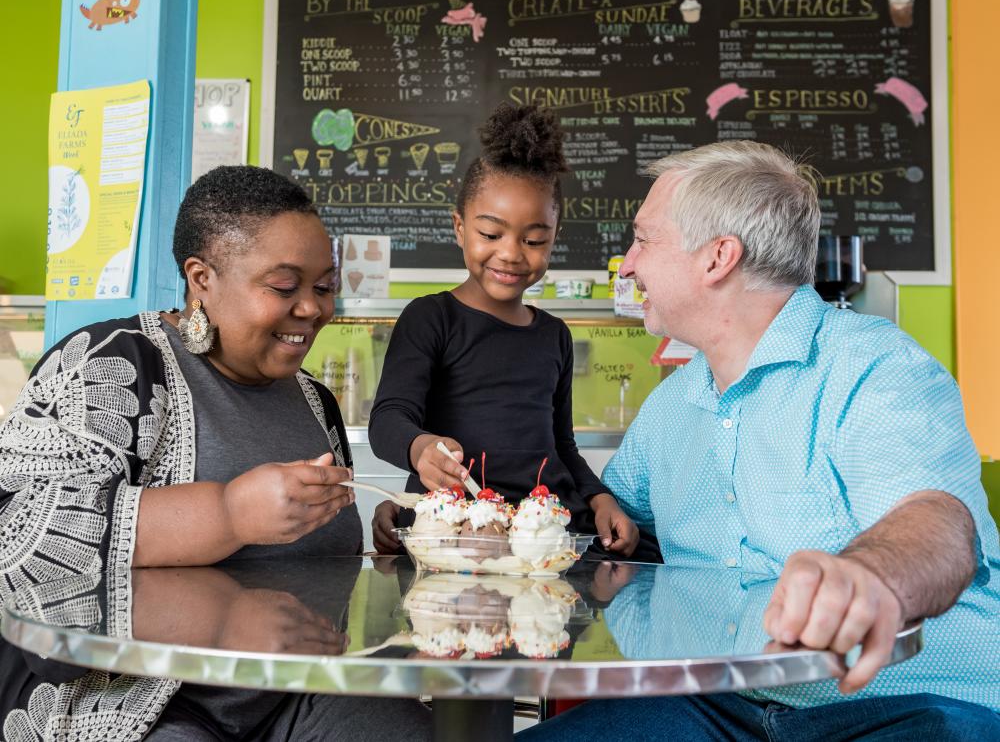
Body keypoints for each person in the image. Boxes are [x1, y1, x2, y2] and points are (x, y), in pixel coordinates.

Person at [518, 141, 1000, 740]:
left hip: (904, 704)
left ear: (718, 257)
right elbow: (603, 531)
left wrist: (871, 575)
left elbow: (936, 522)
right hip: (718, 704)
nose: (630, 263)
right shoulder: (671, 405)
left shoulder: (876, 367)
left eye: (644, 239)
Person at [0, 166, 432, 741]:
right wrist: (230, 514)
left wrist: (388, 537)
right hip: (141, 701)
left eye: (324, 287)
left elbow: (321, 572)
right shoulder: (112, 364)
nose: (312, 309)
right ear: (201, 278)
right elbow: (23, 542)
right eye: (284, 287)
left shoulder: (315, 402)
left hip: (296, 697)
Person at [368, 103, 643, 558]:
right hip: (457, 533)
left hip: (547, 537)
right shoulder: (431, 318)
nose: (512, 254)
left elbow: (562, 445)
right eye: (491, 234)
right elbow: (387, 420)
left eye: (534, 240)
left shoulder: (554, 334)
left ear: (553, 238)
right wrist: (420, 449)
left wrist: (600, 499)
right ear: (460, 228)